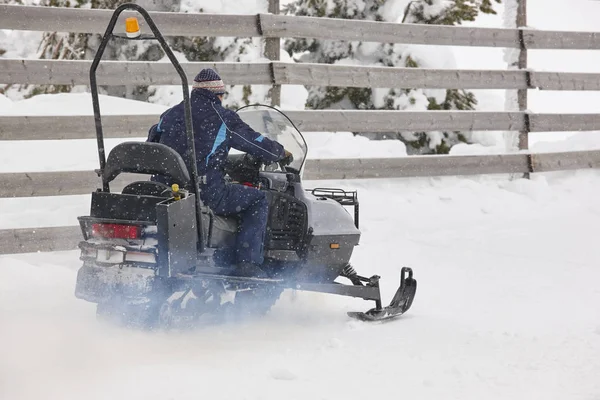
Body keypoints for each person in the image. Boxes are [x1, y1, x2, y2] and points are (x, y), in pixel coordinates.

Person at [146, 68, 291, 278]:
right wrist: (279, 152)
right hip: (204, 192)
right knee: (258, 200)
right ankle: (247, 264)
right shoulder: (222, 118)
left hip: (166, 191)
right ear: (218, 94)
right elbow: (254, 141)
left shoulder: (169, 115)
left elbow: (152, 146)